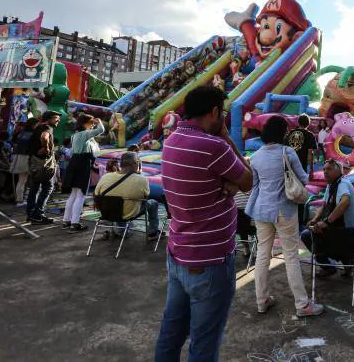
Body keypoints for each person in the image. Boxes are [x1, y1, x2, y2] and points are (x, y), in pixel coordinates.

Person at [154, 86, 253, 362]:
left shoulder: (172, 140)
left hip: (179, 253)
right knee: (204, 343)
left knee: (171, 332)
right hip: (210, 260)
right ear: (214, 113)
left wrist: (226, 183)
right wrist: (227, 139)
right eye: (222, 113)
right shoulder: (214, 146)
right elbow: (248, 180)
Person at [245, 115, 324, 317]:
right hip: (284, 210)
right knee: (290, 255)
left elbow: (255, 185)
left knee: (263, 255)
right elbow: (303, 179)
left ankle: (261, 300)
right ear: (283, 133)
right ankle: (302, 304)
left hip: (262, 210)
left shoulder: (256, 156)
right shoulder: (287, 152)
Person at [302, 159, 354, 278]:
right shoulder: (331, 185)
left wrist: (326, 222)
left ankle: (343, 261)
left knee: (308, 235)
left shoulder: (343, 183)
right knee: (312, 231)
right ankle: (337, 264)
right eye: (324, 169)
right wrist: (315, 219)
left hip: (346, 231)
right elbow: (324, 205)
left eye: (329, 169)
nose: (325, 172)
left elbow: (345, 202)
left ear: (338, 171)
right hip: (337, 228)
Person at [94, 152, 160, 238]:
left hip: (107, 213)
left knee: (118, 203)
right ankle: (153, 232)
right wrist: (139, 173)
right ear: (136, 163)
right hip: (128, 214)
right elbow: (145, 197)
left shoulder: (105, 177)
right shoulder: (141, 179)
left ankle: (121, 230)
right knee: (153, 203)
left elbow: (96, 194)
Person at [61, 114, 104, 231]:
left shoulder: (75, 135)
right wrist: (99, 120)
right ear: (85, 123)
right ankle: (75, 222)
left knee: (74, 194)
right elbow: (101, 130)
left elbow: (72, 152)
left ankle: (66, 220)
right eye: (91, 122)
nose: (93, 124)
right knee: (81, 195)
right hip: (83, 163)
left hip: (74, 163)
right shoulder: (85, 134)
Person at [26, 111, 61, 224]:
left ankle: (31, 214)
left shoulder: (38, 127)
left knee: (34, 188)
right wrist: (46, 148)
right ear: (49, 119)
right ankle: (38, 214)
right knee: (48, 187)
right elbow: (44, 136)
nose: (58, 120)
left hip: (34, 161)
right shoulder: (47, 127)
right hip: (43, 164)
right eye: (56, 118)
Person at [10, 118, 35, 207]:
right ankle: (20, 200)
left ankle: (19, 199)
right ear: (33, 125)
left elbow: (14, 143)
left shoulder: (20, 134)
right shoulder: (33, 135)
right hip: (27, 158)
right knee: (24, 181)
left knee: (21, 181)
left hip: (18, 157)